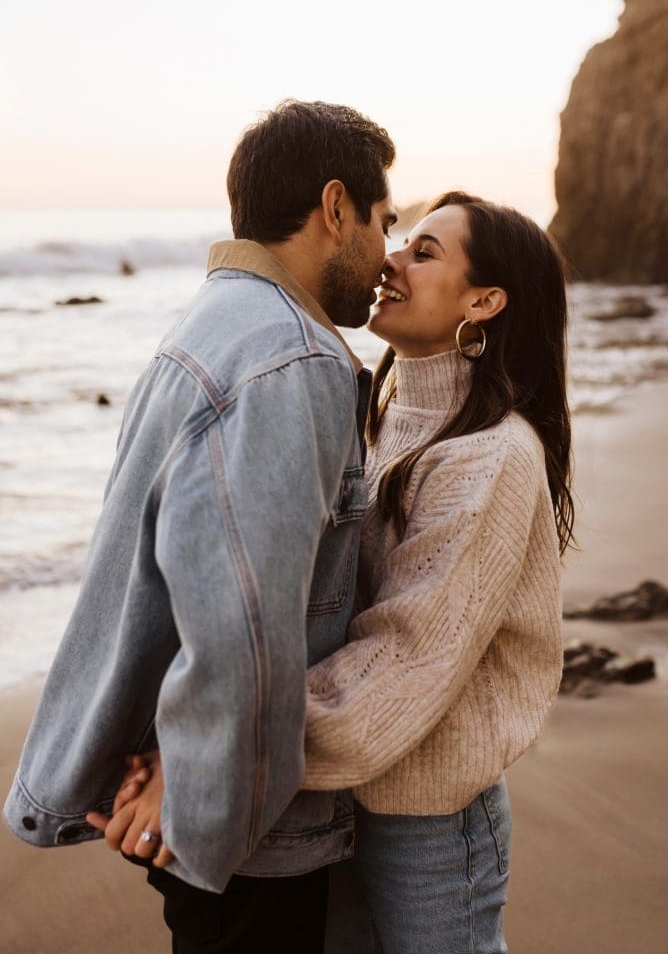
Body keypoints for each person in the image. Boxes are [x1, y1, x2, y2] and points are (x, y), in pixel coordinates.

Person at [108, 191, 573, 952]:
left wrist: (215, 752)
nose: (391, 258)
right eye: (403, 240)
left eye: (425, 253)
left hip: (433, 818)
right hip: (349, 794)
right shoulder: (374, 415)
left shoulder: (490, 456)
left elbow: (404, 659)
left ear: (484, 301)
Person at [3, 99, 398, 953]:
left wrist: (169, 764)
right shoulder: (291, 358)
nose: (385, 256)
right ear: (336, 209)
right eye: (382, 222)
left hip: (187, 782)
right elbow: (244, 625)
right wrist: (197, 800)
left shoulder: (206, 326)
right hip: (243, 832)